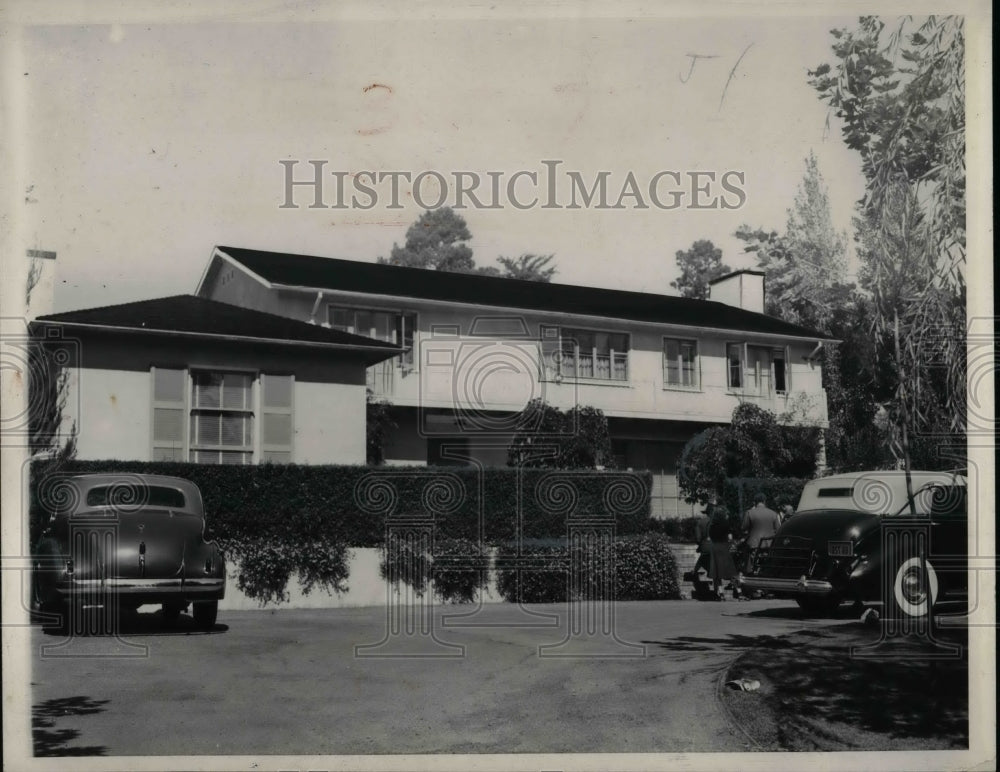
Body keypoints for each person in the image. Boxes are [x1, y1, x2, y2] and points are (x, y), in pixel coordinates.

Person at [706, 494, 740, 600]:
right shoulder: (726, 523)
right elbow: (730, 537)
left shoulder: (711, 524)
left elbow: (709, 537)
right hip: (725, 546)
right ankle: (738, 590)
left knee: (717, 572)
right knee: (731, 571)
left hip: (715, 547)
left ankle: (720, 592)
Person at [742, 494, 782, 573]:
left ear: (754, 502)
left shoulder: (749, 513)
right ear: (764, 501)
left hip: (754, 544)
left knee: (751, 566)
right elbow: (779, 530)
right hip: (769, 544)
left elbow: (743, 528)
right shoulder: (773, 513)